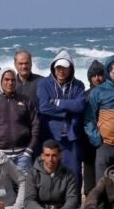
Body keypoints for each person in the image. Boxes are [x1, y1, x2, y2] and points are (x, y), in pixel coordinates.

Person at [37, 50, 88, 186]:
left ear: (70, 68)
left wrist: (58, 102)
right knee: (50, 173)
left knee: (74, 174)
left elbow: (79, 105)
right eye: (58, 67)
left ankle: (75, 205)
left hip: (71, 138)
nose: (61, 71)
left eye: (64, 68)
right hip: (51, 136)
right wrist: (67, 111)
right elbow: (43, 107)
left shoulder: (78, 85)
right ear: (54, 68)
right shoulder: (44, 84)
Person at [0, 68, 40, 173]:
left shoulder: (25, 100)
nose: (10, 83)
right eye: (6, 80)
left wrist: (29, 150)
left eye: (13, 80)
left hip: (22, 155)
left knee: (25, 188)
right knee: (1, 189)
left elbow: (35, 125)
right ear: (0, 81)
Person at [21, 140, 85, 209]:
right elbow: (29, 200)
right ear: (42, 156)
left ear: (59, 155)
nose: (51, 159)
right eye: (47, 155)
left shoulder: (68, 174)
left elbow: (72, 199)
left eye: (54, 155)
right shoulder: (33, 174)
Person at [82, 59, 106, 196]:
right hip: (89, 144)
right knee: (90, 183)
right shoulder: (85, 95)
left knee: (105, 179)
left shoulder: (110, 93)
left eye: (100, 75)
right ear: (89, 78)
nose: (97, 78)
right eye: (94, 75)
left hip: (107, 142)